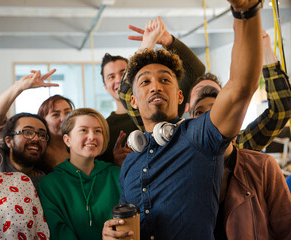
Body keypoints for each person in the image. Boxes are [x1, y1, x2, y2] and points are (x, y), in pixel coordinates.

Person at [103, 1, 263, 238]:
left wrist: (246, 12)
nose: (156, 86)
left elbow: (240, 87)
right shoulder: (129, 165)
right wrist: (111, 233)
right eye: (145, 82)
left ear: (180, 96)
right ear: (133, 101)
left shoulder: (199, 136)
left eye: (165, 80)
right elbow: (128, 222)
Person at [99, 16, 205, 166]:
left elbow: (195, 71)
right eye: (111, 76)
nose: (118, 80)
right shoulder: (104, 127)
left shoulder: (161, 106)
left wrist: (164, 42)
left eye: (123, 73)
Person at [190, 85, 291, 239]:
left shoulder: (263, 167)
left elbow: (286, 230)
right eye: (198, 113)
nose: (207, 118)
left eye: (215, 110)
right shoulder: (183, 176)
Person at [186, 30, 291, 151]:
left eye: (215, 104)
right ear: (187, 108)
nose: (208, 115)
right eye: (199, 92)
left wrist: (265, 50)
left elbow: (280, 110)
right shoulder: (178, 145)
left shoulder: (238, 145)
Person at [37, 108, 120, 240]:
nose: (92, 136)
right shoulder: (49, 185)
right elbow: (57, 232)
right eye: (83, 130)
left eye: (98, 131)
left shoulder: (118, 175)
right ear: (67, 139)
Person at [0, 69, 74, 173]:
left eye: (68, 113)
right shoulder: (28, 144)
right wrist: (19, 87)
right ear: (43, 121)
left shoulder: (79, 144)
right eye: (55, 114)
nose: (64, 118)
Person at [0, 112, 50, 187]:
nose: (36, 138)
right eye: (27, 132)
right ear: (9, 141)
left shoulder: (45, 183)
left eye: (42, 135)